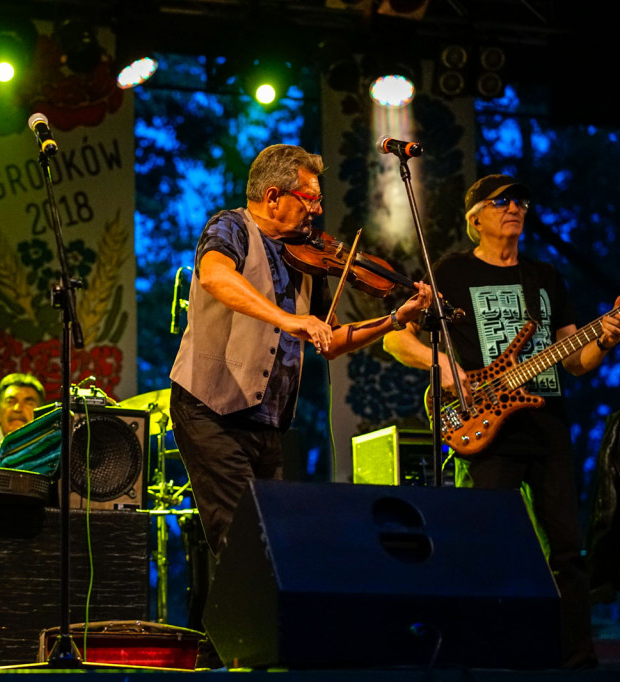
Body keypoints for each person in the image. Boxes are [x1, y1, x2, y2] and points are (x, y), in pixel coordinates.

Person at [383, 174, 620, 669]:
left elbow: (574, 360)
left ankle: (576, 661)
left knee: (566, 552)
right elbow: (395, 338)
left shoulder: (545, 276)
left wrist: (604, 339)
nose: (514, 207)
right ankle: (483, 657)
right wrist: (444, 365)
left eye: (520, 201)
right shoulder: (451, 272)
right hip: (483, 427)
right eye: (501, 201)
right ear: (475, 218)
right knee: (483, 545)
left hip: (547, 427)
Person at [168, 143, 432, 557]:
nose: (317, 210)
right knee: (242, 542)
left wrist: (395, 319)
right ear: (273, 197)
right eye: (310, 199)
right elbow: (214, 276)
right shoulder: (231, 227)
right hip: (210, 409)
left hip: (268, 423)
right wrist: (290, 319)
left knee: (274, 544)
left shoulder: (307, 256)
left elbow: (331, 340)